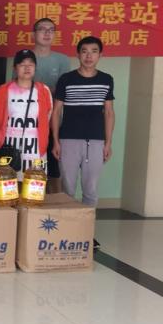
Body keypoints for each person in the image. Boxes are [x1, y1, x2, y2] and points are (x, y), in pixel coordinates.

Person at [52, 36, 115, 249]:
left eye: (94, 51)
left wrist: (108, 143)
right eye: (84, 51)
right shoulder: (66, 79)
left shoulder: (106, 79)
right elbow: (56, 112)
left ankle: (86, 232)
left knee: (90, 190)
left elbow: (109, 112)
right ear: (78, 54)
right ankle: (66, 232)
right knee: (67, 189)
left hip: (96, 141)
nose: (89, 56)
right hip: (68, 139)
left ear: (100, 55)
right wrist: (56, 141)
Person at [0, 49, 53, 179]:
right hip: (8, 148)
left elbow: (47, 116)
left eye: (30, 64)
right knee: (7, 185)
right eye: (22, 64)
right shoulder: (3, 90)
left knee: (34, 185)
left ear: (35, 67)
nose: (27, 67)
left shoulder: (43, 90)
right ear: (15, 68)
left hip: (35, 149)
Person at [31, 18, 71, 192]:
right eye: (42, 29)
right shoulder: (25, 57)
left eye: (51, 29)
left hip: (55, 121)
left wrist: (40, 90)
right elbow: (17, 88)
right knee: (31, 167)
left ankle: (55, 202)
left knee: (54, 169)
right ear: (33, 34)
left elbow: (63, 91)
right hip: (29, 122)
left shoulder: (62, 60)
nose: (47, 33)